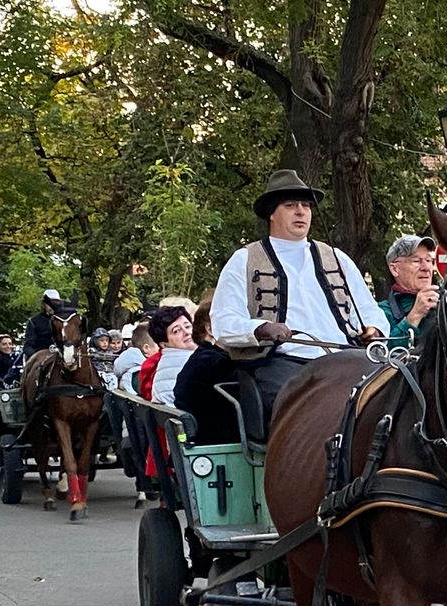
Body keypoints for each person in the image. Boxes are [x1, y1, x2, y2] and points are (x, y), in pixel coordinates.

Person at [210, 169, 389, 421]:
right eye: (290, 205)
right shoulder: (245, 259)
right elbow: (223, 323)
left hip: (346, 358)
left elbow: (369, 309)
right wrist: (261, 328)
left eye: (306, 205)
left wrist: (374, 329)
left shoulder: (337, 258)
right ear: (272, 213)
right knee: (307, 415)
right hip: (282, 363)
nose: (301, 211)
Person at [175, 299, 238, 445]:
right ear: (210, 329)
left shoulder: (203, 357)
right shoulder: (215, 363)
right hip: (215, 447)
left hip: (200, 443)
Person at [378, 234, 439, 349]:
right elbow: (379, 356)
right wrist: (415, 315)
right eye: (416, 261)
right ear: (395, 269)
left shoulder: (446, 303)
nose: (425, 267)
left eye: (429, 260)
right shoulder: (381, 312)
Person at [140, 306, 196, 407]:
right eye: (176, 331)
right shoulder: (192, 362)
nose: (187, 332)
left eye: (187, 326)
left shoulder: (164, 362)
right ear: (163, 344)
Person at [113, 323, 156, 395]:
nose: (163, 346)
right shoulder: (138, 374)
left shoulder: (134, 368)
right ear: (146, 348)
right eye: (158, 343)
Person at [22, 289, 66, 359]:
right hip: (41, 356)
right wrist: (35, 357)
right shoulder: (34, 322)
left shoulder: (65, 320)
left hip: (63, 356)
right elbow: (28, 345)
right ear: (44, 304)